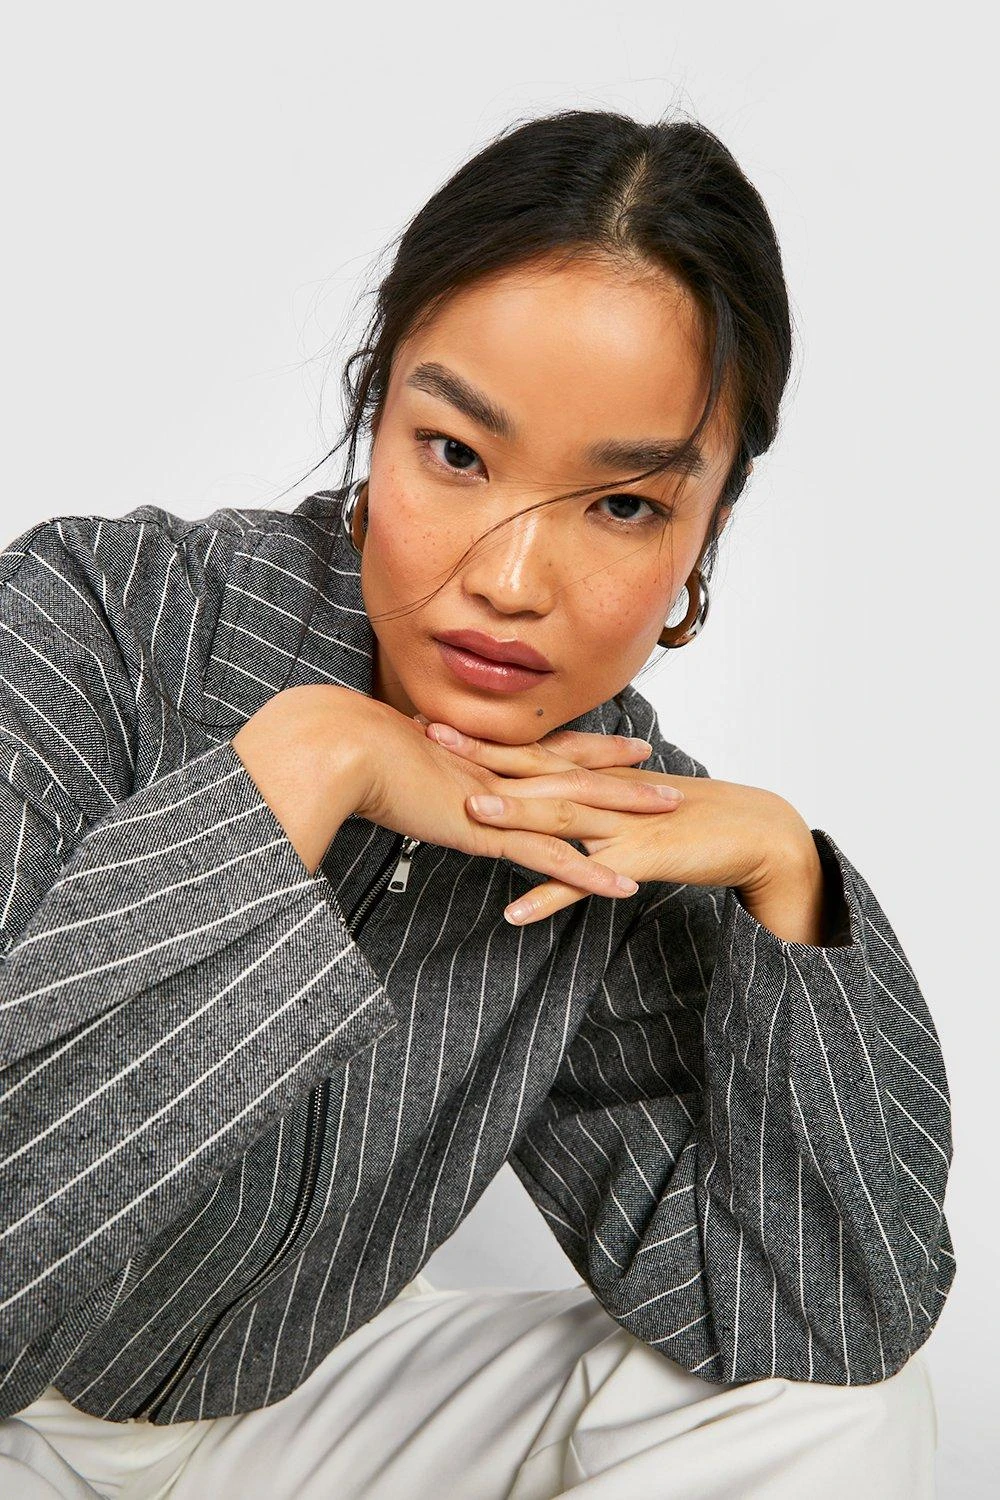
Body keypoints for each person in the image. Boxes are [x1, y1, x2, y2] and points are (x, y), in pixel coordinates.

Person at [0, 108, 953, 1498]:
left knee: (839, 1411)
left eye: (623, 506)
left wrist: (786, 879)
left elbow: (823, 1319)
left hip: (296, 1411)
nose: (510, 580)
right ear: (376, 409)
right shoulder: (99, 623)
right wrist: (305, 770)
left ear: (708, 533)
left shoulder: (615, 827)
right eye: (456, 453)